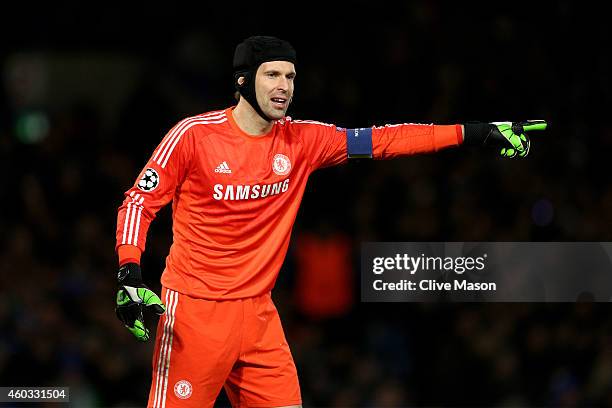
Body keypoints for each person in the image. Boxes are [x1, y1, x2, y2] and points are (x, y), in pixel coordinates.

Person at [114, 35, 546, 407]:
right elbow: (138, 202)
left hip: (260, 316)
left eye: (290, 77)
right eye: (273, 75)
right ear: (243, 80)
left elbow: (384, 140)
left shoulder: (304, 140)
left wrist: (474, 132)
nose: (284, 87)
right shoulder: (194, 135)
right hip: (195, 312)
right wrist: (130, 272)